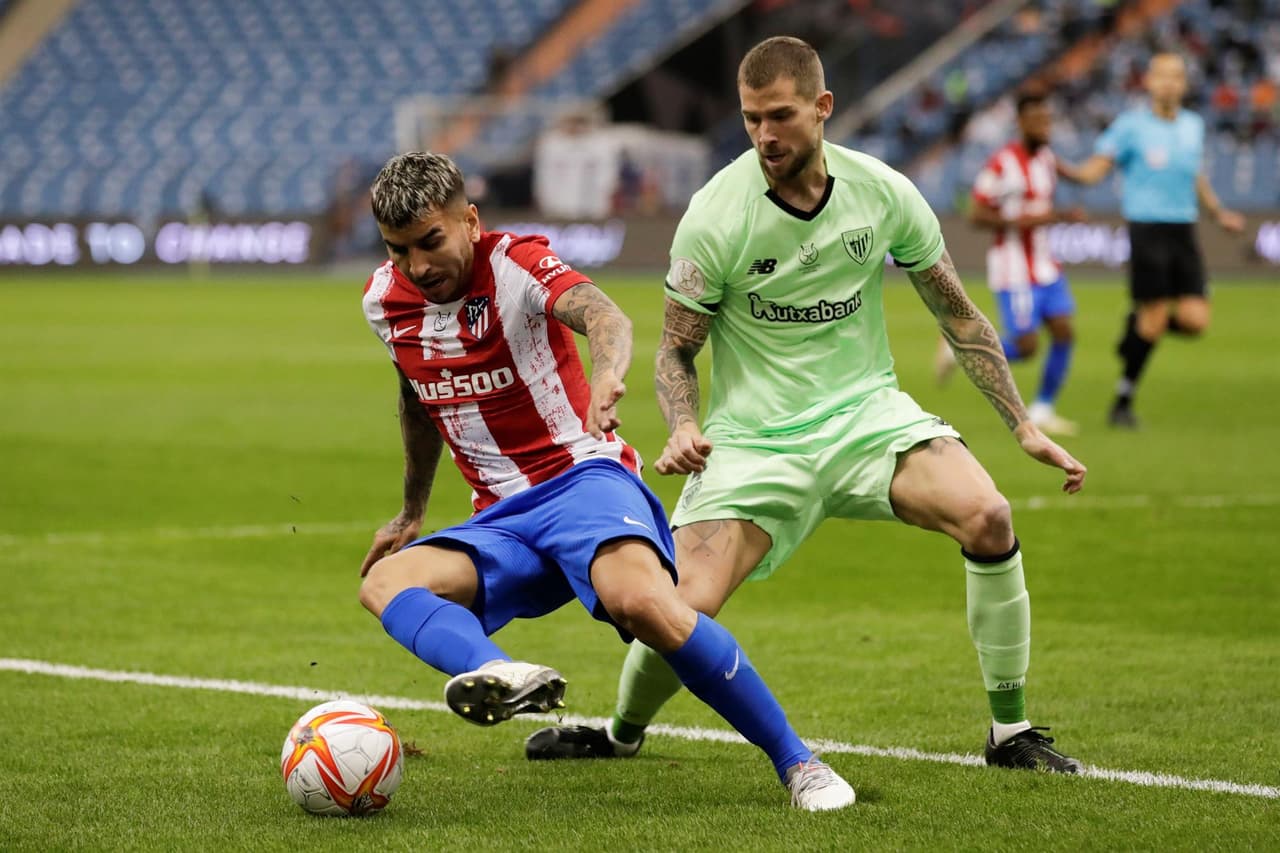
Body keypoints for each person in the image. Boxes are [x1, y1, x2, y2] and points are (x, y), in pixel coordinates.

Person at [526, 37, 1087, 774]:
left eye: (781, 116)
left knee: (989, 516)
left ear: (822, 108)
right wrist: (684, 424)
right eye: (751, 118)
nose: (765, 135)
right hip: (754, 440)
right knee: (678, 605)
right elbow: (675, 350)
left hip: (867, 419)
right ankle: (621, 734)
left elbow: (958, 316)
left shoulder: (882, 191)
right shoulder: (715, 215)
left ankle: (1010, 733)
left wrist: (1022, 426)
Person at [355, 152, 854, 811]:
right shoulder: (384, 301)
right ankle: (497, 671)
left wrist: (608, 374)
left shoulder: (516, 264)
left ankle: (800, 763)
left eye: (430, 241)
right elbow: (417, 399)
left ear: (469, 221)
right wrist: (411, 509)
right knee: (383, 583)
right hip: (501, 520)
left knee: (643, 604)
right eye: (399, 250)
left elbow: (606, 317)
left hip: (582, 481)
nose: (417, 266)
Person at [1059, 52, 1245, 428]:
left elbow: (1196, 175)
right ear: (1148, 81)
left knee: (1194, 321)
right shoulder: (1131, 126)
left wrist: (1218, 212)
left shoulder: (1193, 125)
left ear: (1184, 84)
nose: (1169, 83)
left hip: (1183, 229)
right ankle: (1122, 401)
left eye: (1176, 76)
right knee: (1156, 318)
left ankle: (1136, 326)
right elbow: (1099, 166)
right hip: (1147, 230)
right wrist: (1072, 173)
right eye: (1162, 76)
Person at [936, 90, 1086, 436]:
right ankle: (959, 348)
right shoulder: (1002, 164)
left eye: (1047, 119)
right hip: (1014, 268)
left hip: (1046, 264)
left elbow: (1075, 178)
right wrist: (1027, 220)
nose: (1044, 126)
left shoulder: (1046, 159)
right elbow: (975, 214)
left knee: (1064, 332)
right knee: (1027, 346)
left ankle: (1044, 408)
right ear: (1020, 123)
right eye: (1037, 120)